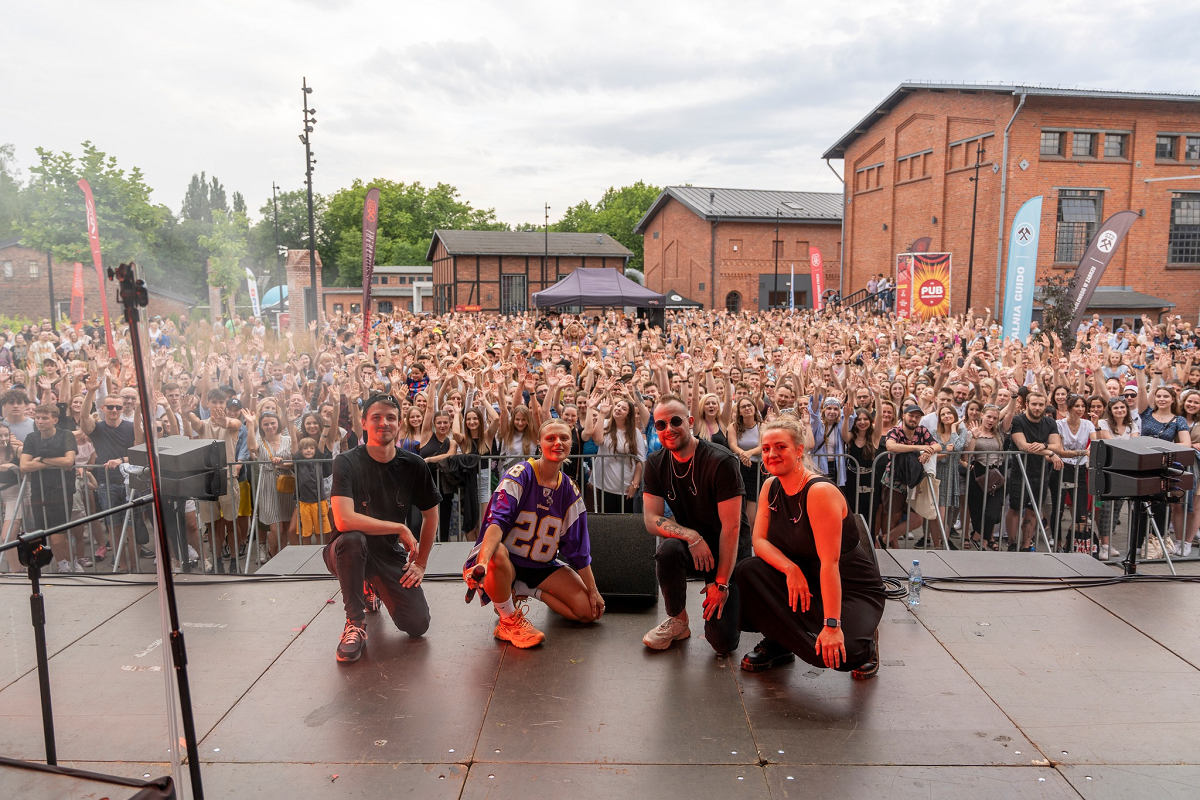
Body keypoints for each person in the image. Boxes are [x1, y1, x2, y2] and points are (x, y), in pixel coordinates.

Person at [735, 417, 885, 677]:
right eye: (767, 448)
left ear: (799, 450)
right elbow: (758, 542)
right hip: (804, 578)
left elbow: (830, 564)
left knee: (838, 656)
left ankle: (865, 643)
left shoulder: (819, 492)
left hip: (849, 586)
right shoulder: (770, 486)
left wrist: (831, 626)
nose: (772, 454)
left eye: (781, 447)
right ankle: (779, 641)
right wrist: (790, 569)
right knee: (750, 570)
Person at [463, 418, 603, 649]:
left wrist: (593, 591)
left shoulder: (570, 490)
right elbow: (496, 523)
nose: (557, 442)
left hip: (540, 565)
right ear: (539, 443)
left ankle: (528, 589)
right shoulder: (520, 474)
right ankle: (508, 619)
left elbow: (578, 550)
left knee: (589, 611)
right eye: (550, 438)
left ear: (571, 444)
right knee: (497, 553)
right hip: (506, 562)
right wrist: (484, 562)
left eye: (564, 438)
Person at [325, 394, 440, 663]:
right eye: (376, 417)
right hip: (345, 551)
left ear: (399, 424)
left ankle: (371, 585)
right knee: (353, 539)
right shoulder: (346, 461)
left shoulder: (414, 464)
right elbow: (344, 520)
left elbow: (431, 516)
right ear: (363, 423)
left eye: (390, 418)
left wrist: (421, 563)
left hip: (388, 554)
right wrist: (398, 527)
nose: (384, 423)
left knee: (417, 625)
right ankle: (355, 623)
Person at [641, 395, 749, 655]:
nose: (668, 429)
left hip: (728, 550)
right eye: (660, 425)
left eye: (675, 421)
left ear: (690, 422)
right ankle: (679, 621)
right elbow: (651, 519)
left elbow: (731, 529)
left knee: (722, 645)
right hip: (695, 546)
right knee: (668, 550)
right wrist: (691, 536)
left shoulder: (720, 461)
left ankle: (737, 601)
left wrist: (720, 583)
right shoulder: (655, 462)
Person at [20, 404, 78, 573]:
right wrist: (54, 461)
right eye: (37, 418)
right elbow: (24, 465)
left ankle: (70, 563)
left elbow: (68, 461)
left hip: (61, 490)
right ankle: (62, 564)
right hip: (39, 491)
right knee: (44, 535)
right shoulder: (32, 438)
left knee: (58, 537)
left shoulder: (66, 435)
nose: (39, 421)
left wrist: (41, 460)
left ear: (55, 420)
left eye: (44, 418)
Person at [1004, 391, 1064, 552]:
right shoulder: (1018, 420)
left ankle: (1025, 545)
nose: (1037, 408)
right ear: (1027, 405)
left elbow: (1058, 446)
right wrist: (1049, 452)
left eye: (1041, 405)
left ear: (1045, 406)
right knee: (1015, 508)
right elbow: (1024, 446)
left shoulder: (1050, 422)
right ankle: (1012, 543)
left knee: (1033, 510)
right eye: (1034, 404)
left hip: (1041, 472)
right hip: (1020, 472)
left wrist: (1045, 446)